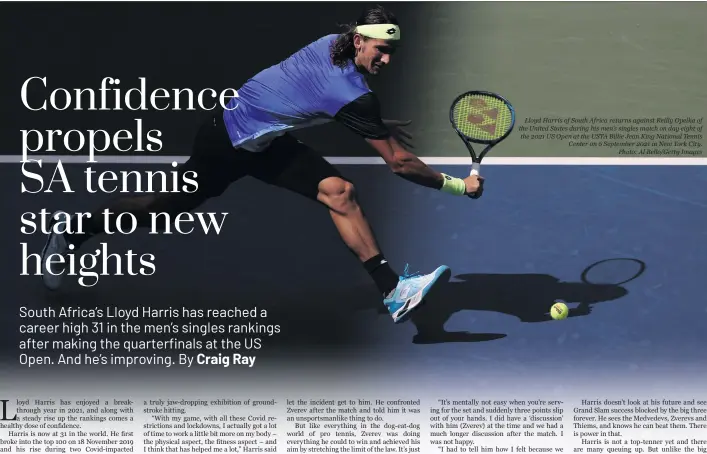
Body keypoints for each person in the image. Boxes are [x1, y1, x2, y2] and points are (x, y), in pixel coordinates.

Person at [40, 5, 483, 324]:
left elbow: (311, 91)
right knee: (166, 206)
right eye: (380, 50)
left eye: (390, 53)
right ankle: (73, 231)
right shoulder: (352, 93)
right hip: (226, 141)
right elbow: (401, 164)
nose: (385, 60)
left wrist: (372, 121)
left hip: (265, 140)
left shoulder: (331, 45)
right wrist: (457, 187)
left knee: (339, 192)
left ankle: (392, 291)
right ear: (358, 41)